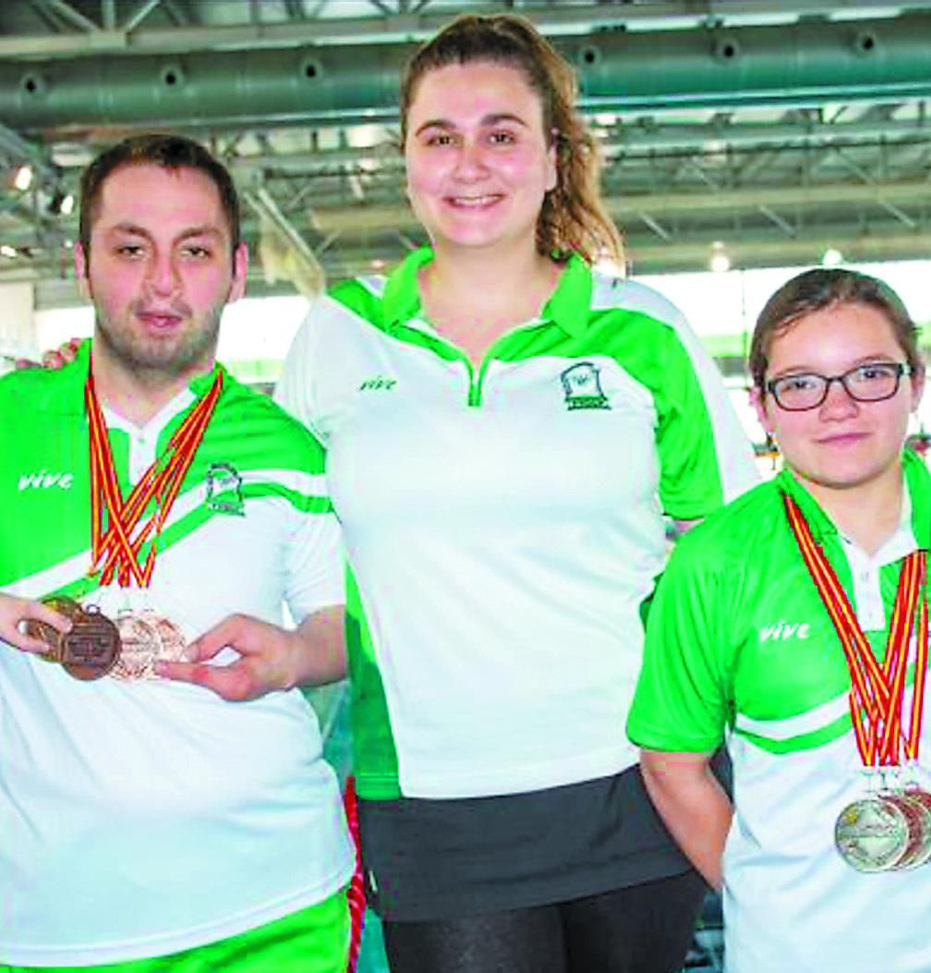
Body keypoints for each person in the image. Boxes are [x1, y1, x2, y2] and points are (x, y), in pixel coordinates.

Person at [276, 14, 759, 973]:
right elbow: (280, 548)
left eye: (501, 134)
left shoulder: (641, 333)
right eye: (439, 137)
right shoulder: (340, 338)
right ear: (406, 162)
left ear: (551, 158)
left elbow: (728, 549)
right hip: (431, 792)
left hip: (640, 777)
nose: (469, 164)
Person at [0, 134, 355, 972]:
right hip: (65, 915)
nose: (162, 282)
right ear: (83, 263)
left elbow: (338, 631)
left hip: (277, 897)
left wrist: (288, 654)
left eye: (195, 251)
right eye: (130, 247)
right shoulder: (11, 417)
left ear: (237, 272)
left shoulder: (289, 448)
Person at [628, 268, 931, 973]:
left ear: (915, 382)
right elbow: (672, 765)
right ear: (762, 406)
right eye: (802, 383)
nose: (837, 406)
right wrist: (763, 891)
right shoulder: (713, 561)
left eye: (869, 374)